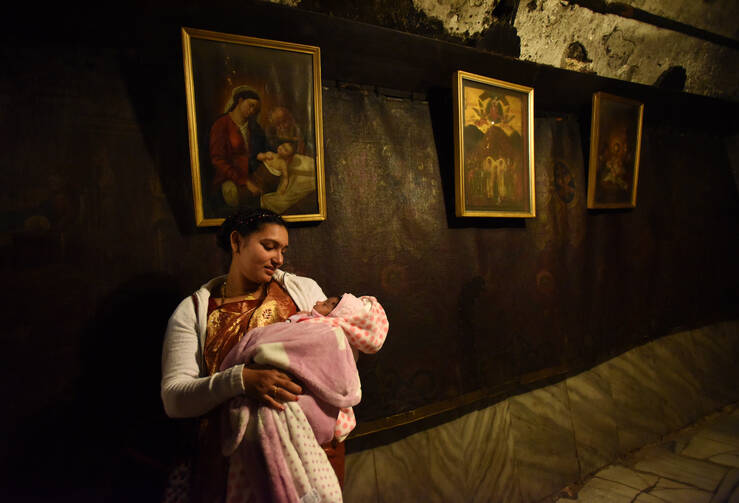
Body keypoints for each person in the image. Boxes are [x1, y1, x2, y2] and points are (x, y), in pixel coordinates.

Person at [161, 208, 335, 502]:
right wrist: (239, 380)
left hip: (307, 456)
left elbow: (336, 356)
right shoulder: (194, 311)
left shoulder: (303, 293)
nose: (278, 258)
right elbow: (174, 398)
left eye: (282, 250)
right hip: (229, 467)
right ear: (236, 242)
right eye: (268, 247)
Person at [218, 292, 388, 503]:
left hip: (304, 409)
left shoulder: (329, 331)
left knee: (274, 424)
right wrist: (242, 376)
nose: (317, 301)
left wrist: (268, 353)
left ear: (339, 316)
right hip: (261, 390)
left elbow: (332, 368)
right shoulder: (307, 319)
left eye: (327, 304)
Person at [209, 87, 269, 206]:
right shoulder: (221, 125)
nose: (252, 111)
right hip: (229, 179)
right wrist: (245, 182)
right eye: (250, 105)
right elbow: (218, 161)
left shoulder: (254, 127)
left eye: (255, 108)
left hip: (253, 175)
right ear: (240, 101)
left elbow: (262, 149)